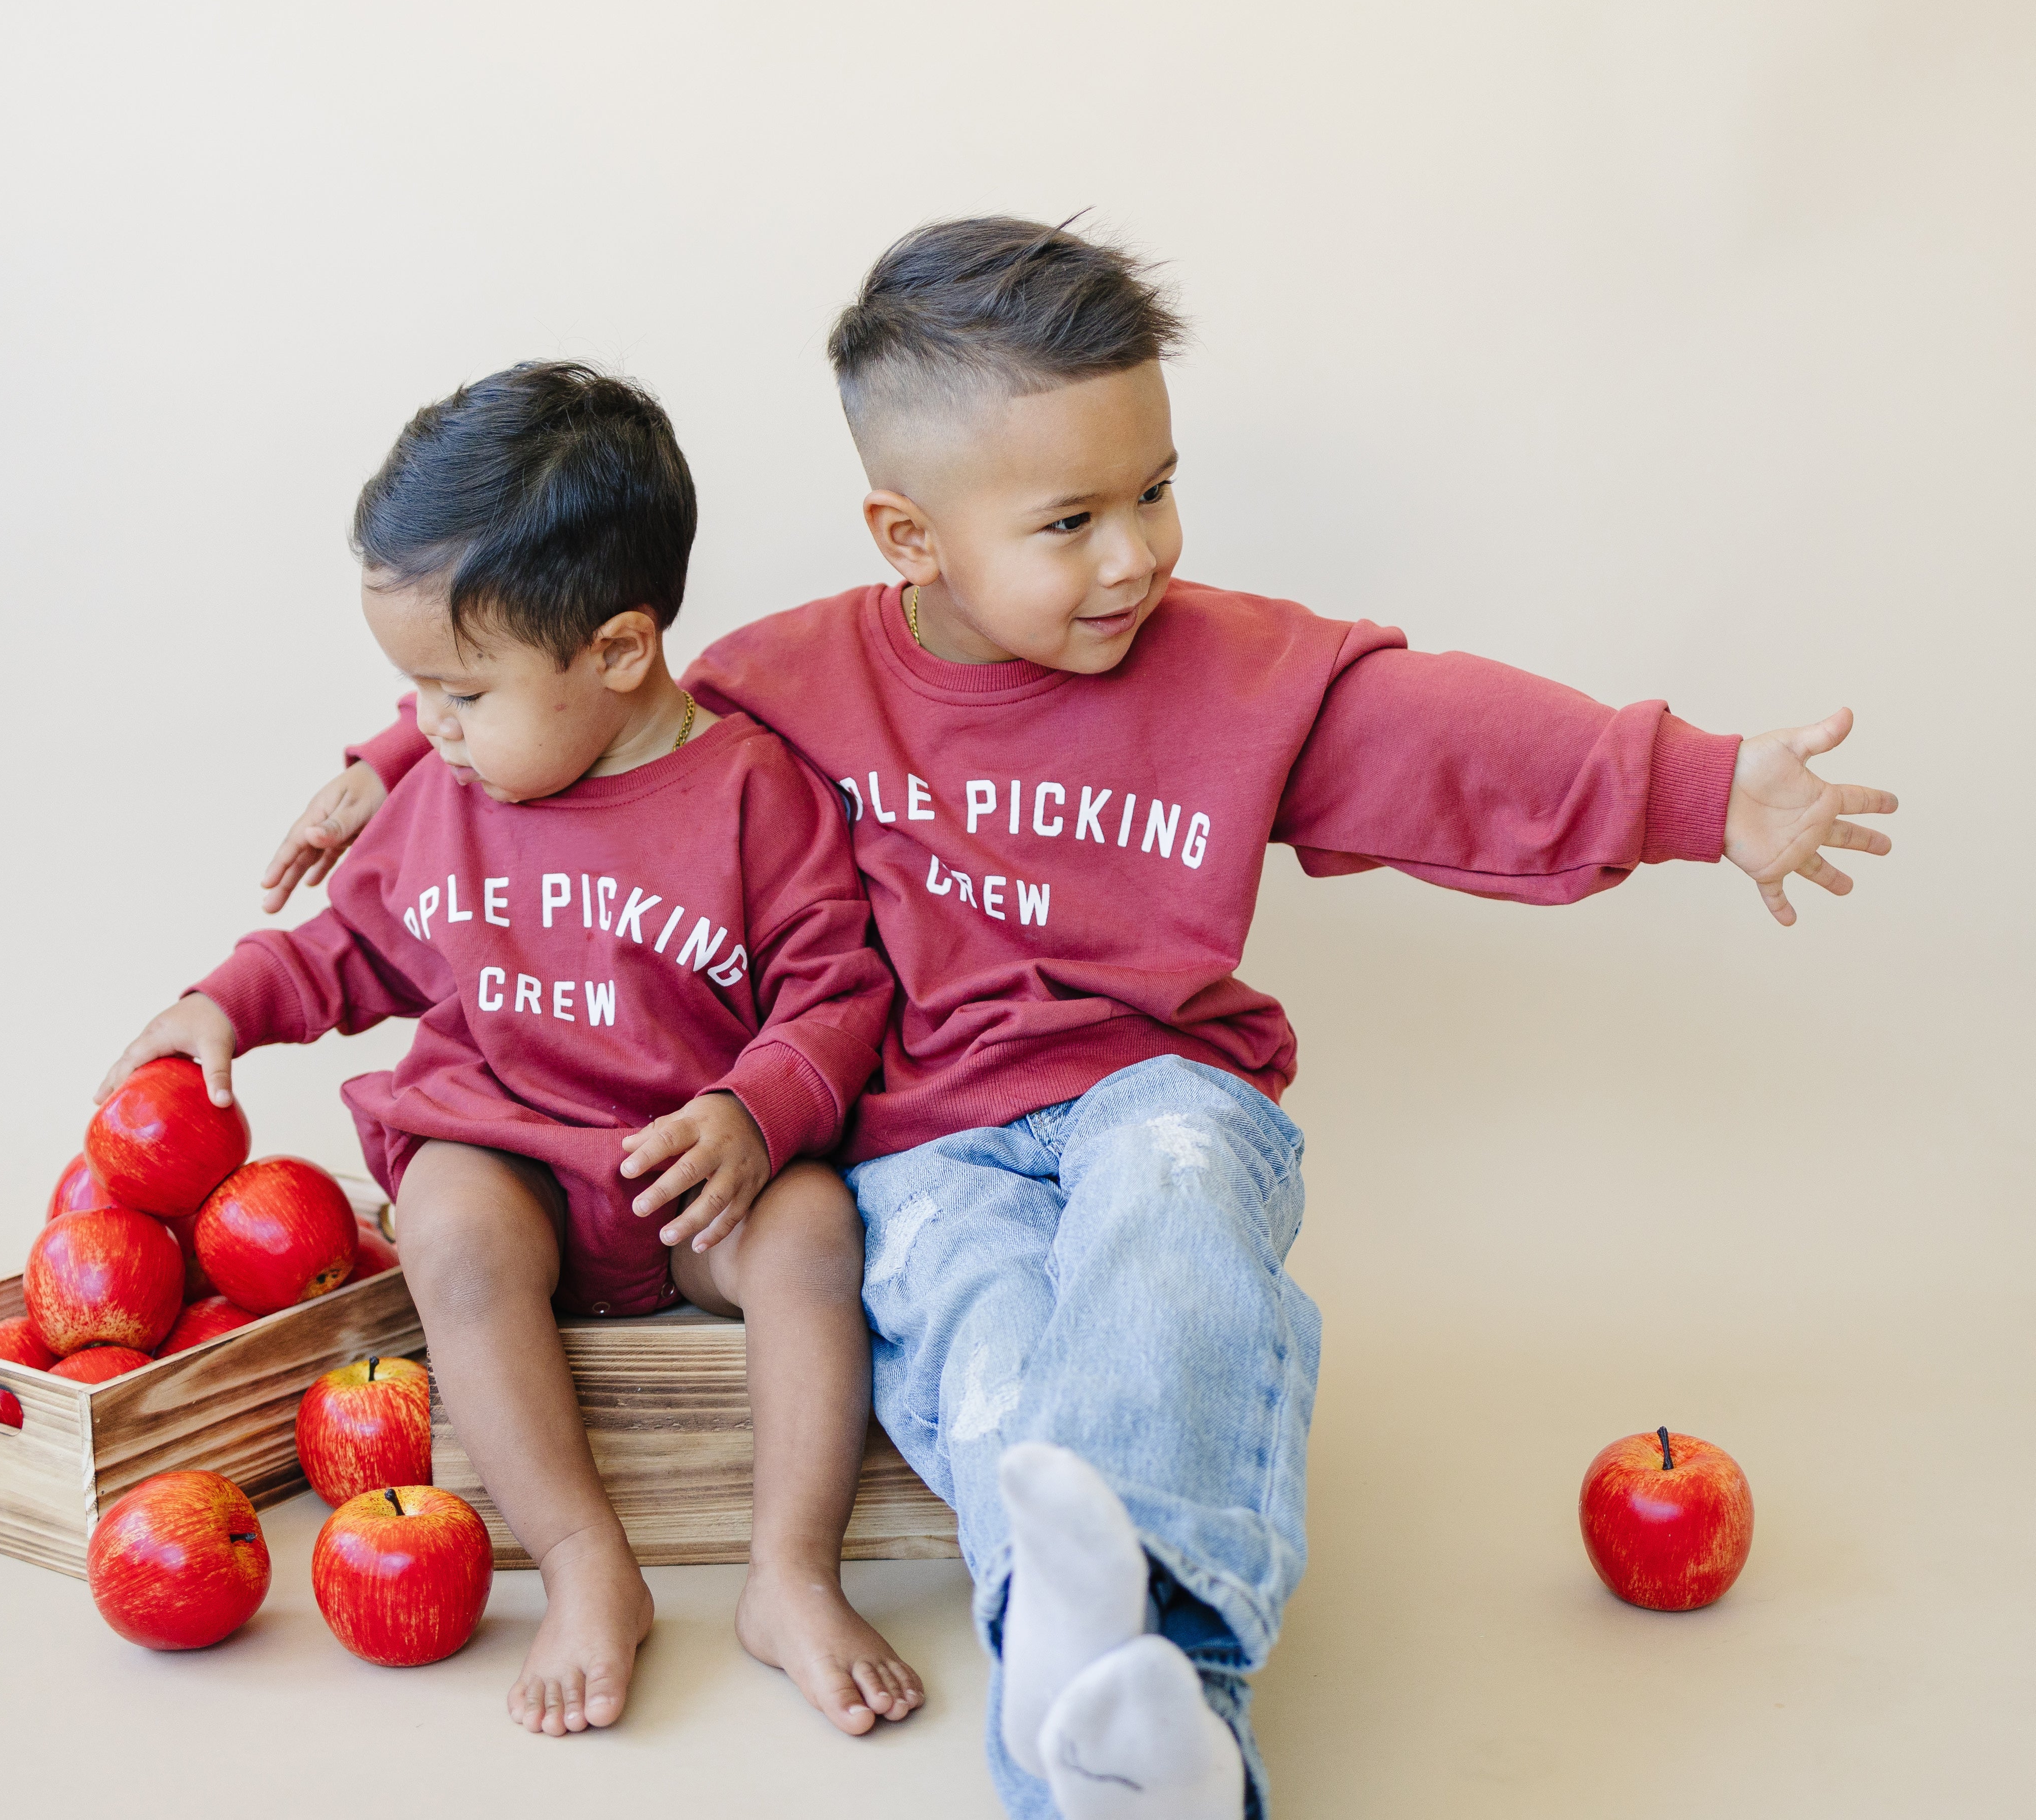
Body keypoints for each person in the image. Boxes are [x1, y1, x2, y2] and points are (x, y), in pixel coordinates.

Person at [266, 221, 1898, 1818]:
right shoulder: (785, 683)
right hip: (922, 1145)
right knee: (983, 1352)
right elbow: (575, 691)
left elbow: (1449, 741)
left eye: (1156, 489)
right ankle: (1135, 1748)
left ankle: (1150, 1686)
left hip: (1156, 1085)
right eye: (1070, 521)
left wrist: (1698, 786)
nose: (1136, 554)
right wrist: (392, 756)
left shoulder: (1239, 677)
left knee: (1174, 1209)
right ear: (908, 538)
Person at [99, 363, 924, 1743]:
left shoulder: (749, 793)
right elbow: (346, 950)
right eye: (413, 688)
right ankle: (583, 1559)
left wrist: (755, 1111)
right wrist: (224, 1003)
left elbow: (840, 996)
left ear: (615, 650)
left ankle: (789, 1569)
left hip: (687, 1185)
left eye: (460, 689)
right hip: (518, 1154)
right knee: (450, 1222)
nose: (425, 728)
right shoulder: (451, 795)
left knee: (813, 1231)